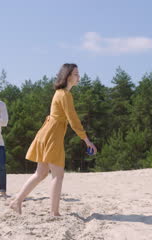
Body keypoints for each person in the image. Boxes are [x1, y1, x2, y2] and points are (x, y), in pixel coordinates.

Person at [9, 63, 97, 216]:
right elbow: (73, 120)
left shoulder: (61, 93)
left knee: (41, 173)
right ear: (68, 76)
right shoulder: (65, 94)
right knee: (58, 175)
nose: (79, 77)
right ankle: (54, 212)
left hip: (47, 133)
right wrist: (86, 140)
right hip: (52, 135)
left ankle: (16, 201)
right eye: (76, 74)